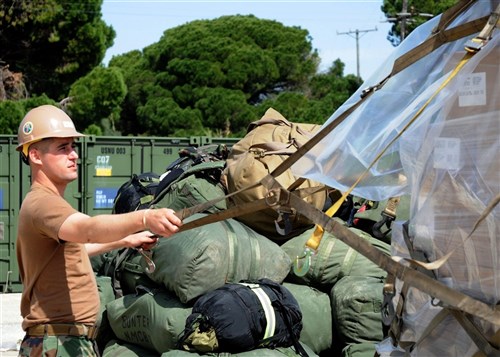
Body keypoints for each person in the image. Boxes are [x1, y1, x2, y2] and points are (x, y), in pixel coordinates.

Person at [15, 104, 183, 356]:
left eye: (73, 146)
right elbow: (88, 229)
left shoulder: (47, 202)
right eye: (63, 148)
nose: (74, 155)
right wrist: (145, 216)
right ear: (36, 156)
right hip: (57, 344)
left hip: (64, 340)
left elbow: (76, 248)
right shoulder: (42, 202)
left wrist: (125, 240)